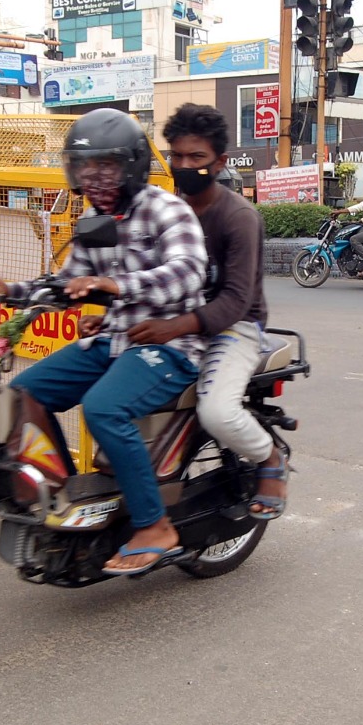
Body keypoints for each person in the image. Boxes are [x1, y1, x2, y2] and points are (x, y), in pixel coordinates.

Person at [2, 108, 209, 577]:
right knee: (22, 393)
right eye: (84, 167)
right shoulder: (96, 220)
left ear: (131, 165)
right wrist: (9, 291)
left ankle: (154, 525)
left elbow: (186, 272)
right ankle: (64, 496)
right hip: (116, 339)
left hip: (170, 344)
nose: (93, 177)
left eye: (106, 166)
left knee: (103, 408)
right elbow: (67, 283)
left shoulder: (166, 209)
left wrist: (117, 286)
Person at [115, 103, 288, 520]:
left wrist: (172, 328)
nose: (184, 166)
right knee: (108, 383)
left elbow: (236, 300)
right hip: (179, 323)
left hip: (235, 327)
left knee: (217, 412)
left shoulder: (238, 217)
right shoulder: (165, 209)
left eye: (197, 158)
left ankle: (268, 460)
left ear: (220, 162)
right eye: (176, 156)